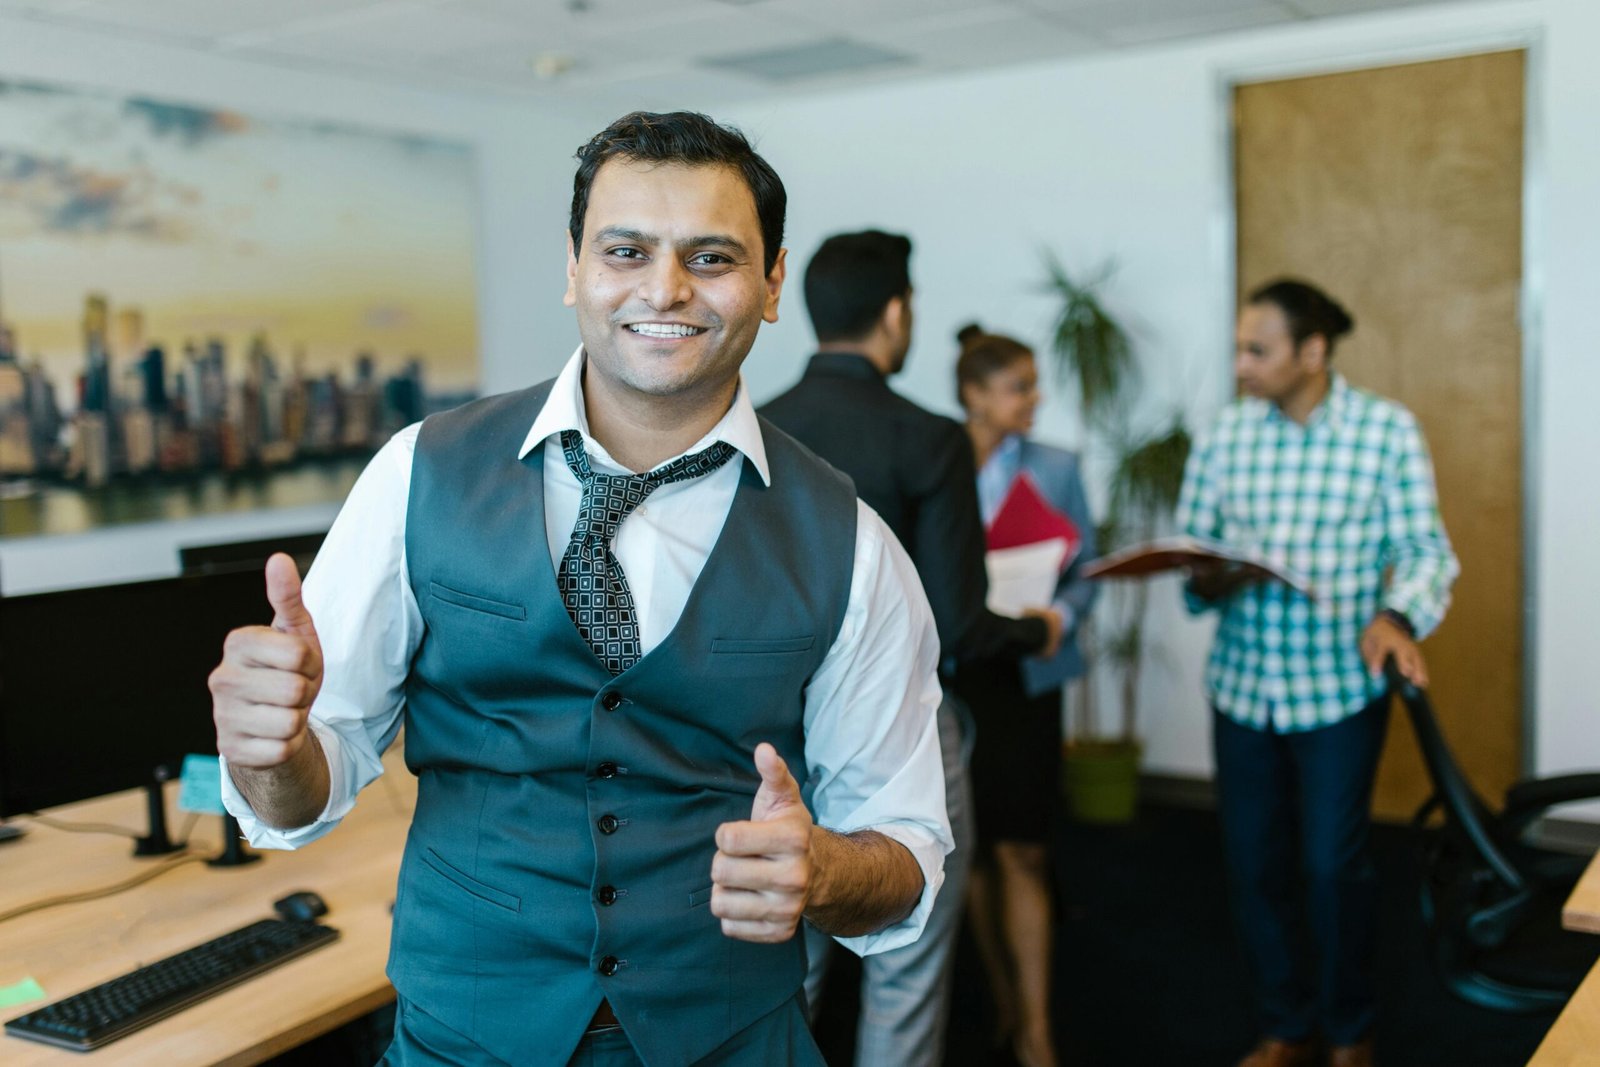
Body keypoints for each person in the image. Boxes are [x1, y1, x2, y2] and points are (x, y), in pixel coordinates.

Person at [208, 111, 955, 1067]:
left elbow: (905, 857)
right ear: (574, 268)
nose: (665, 288)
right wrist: (266, 750)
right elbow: (301, 789)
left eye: (713, 257)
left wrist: (827, 870)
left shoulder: (850, 541)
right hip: (462, 1041)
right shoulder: (419, 474)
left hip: (733, 1041)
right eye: (626, 249)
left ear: (772, 285)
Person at [760, 231, 1063, 1066]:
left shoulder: (756, 428)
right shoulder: (929, 438)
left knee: (794, 957)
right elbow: (960, 624)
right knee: (906, 957)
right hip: (905, 732)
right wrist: (1038, 629)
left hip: (783, 731)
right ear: (896, 314)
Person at [1176, 279, 1458, 1067]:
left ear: (1313, 351)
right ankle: (1284, 1024)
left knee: (1334, 868)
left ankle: (1349, 1027)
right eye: (1238, 347)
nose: (1240, 365)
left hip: (1338, 688)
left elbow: (1426, 554)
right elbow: (1196, 566)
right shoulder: (1225, 436)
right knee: (1253, 864)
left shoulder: (1386, 433)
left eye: (1256, 350)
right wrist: (1214, 573)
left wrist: (1393, 615)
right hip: (1242, 687)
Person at [952, 324, 1098, 1067]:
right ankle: (1002, 994)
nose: (1034, 400)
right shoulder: (937, 461)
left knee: (1025, 849)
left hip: (1028, 673)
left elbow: (1089, 570)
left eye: (1036, 385)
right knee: (971, 851)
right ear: (974, 394)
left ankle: (1037, 1028)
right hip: (956, 678)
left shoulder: (1058, 467)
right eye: (1019, 386)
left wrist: (1059, 617)